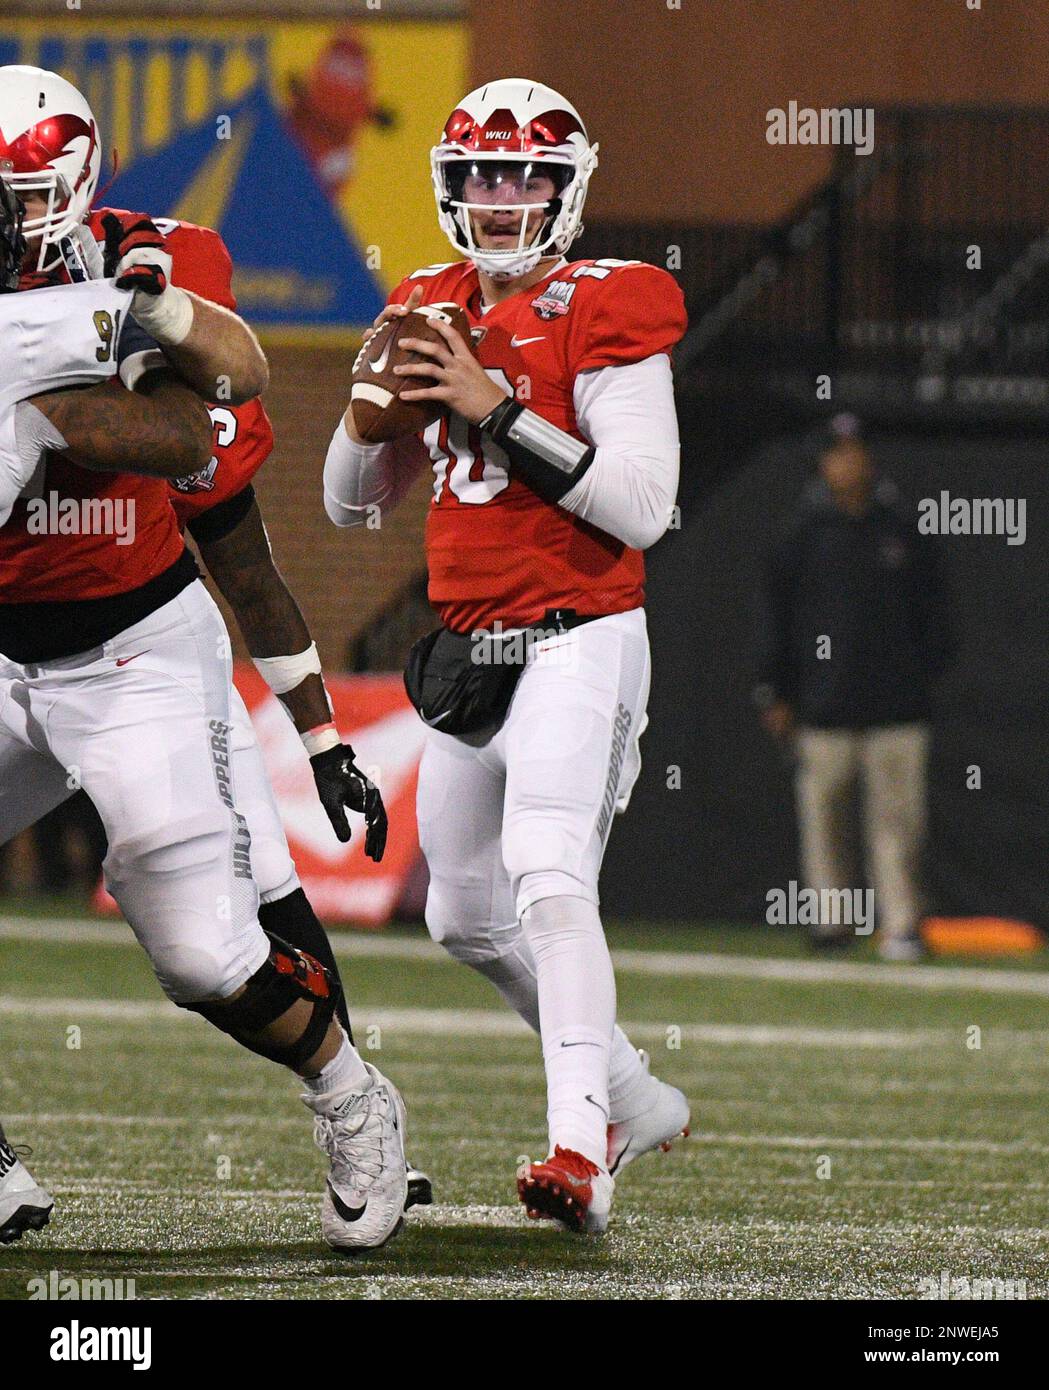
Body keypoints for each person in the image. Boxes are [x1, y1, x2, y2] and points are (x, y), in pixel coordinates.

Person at [0, 64, 409, 1251]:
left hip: (131, 648)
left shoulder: (146, 261)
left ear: (66, 190)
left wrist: (119, 342)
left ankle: (350, 1091)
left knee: (202, 954)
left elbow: (215, 428)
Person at [324, 78, 691, 1233]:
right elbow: (347, 506)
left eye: (527, 176)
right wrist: (364, 410)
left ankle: (578, 1146)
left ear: (564, 189)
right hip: (472, 648)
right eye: (483, 175)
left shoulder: (606, 301)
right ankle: (627, 1094)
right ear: (451, 189)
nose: (501, 198)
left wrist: (490, 406)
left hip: (581, 632)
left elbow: (639, 506)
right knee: (460, 914)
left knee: (544, 867)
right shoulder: (426, 300)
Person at [754, 417, 949, 961]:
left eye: (856, 452)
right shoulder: (800, 535)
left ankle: (902, 925)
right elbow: (776, 618)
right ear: (822, 463)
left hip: (897, 708)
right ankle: (830, 924)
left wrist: (920, 679)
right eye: (838, 454)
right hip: (822, 706)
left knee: (899, 826)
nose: (848, 463)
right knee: (824, 821)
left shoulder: (904, 529)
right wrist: (774, 689)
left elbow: (937, 620)